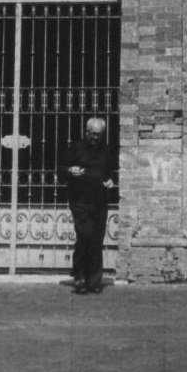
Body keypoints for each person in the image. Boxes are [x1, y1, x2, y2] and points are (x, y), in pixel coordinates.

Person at [63, 117, 114, 294]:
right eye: (93, 135)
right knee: (85, 235)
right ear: (87, 132)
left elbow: (109, 172)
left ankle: (94, 280)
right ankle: (79, 276)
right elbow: (61, 169)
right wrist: (70, 171)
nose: (95, 138)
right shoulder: (76, 148)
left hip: (99, 200)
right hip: (80, 200)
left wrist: (110, 181)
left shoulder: (106, 150)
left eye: (99, 135)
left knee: (97, 239)